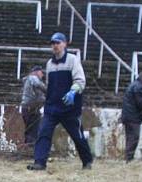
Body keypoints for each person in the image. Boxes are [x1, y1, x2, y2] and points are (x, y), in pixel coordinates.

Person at [28, 32, 93, 171]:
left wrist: (73, 92)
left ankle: (87, 161)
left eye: (58, 43)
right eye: (53, 43)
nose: (55, 46)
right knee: (43, 133)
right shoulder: (49, 64)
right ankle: (39, 162)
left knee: (77, 136)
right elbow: (49, 85)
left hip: (70, 108)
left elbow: (80, 80)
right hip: (52, 107)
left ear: (65, 44)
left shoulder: (73, 60)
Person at [20, 65, 47, 152]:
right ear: (36, 72)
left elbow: (40, 96)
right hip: (31, 108)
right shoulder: (33, 78)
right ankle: (32, 148)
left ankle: (29, 147)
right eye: (41, 72)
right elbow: (40, 86)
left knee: (30, 129)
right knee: (34, 129)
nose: (42, 75)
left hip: (28, 108)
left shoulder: (28, 81)